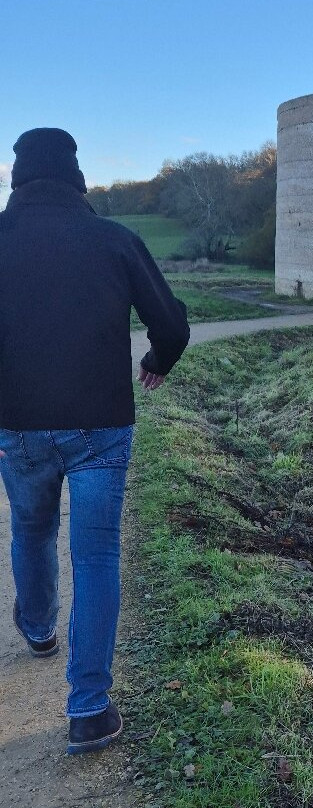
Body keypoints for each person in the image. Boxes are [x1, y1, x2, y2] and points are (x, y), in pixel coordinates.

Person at [0, 128, 190, 754]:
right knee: (97, 555)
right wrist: (158, 357)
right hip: (101, 426)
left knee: (30, 529)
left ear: (17, 178)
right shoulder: (114, 240)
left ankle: (36, 629)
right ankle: (89, 709)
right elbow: (170, 323)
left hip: (15, 423)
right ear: (77, 177)